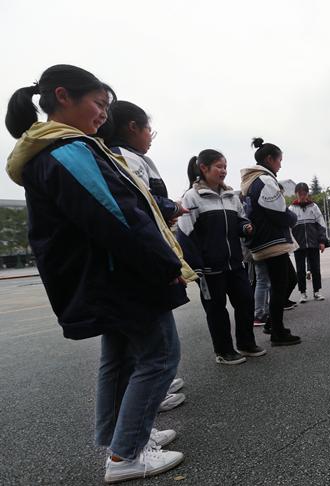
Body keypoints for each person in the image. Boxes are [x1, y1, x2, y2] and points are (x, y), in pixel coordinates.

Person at [5, 65, 193, 482]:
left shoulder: (50, 150)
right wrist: (164, 265)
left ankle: (124, 438)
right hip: (120, 276)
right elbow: (117, 217)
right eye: (99, 103)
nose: (104, 114)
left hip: (103, 277)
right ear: (63, 96)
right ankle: (126, 454)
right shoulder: (69, 151)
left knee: (120, 359)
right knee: (160, 356)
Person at [99, 100, 186, 412]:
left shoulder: (105, 154)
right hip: (139, 264)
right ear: (132, 127)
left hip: (124, 266)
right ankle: (137, 429)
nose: (150, 136)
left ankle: (125, 431)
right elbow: (141, 206)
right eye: (149, 130)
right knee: (158, 355)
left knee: (121, 357)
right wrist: (171, 208)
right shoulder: (126, 158)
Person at [177, 149, 266, 363]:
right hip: (209, 269)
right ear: (203, 168)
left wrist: (245, 227)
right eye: (219, 166)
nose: (223, 170)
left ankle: (246, 344)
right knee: (216, 310)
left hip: (235, 264)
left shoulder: (231, 195)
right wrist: (196, 267)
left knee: (245, 301)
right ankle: (224, 351)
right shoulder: (191, 197)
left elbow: (241, 219)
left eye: (225, 166)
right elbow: (185, 234)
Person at [240, 138, 301, 346]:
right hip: (272, 241)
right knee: (281, 284)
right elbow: (278, 212)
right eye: (279, 160)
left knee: (285, 281)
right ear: (269, 159)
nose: (280, 165)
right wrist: (293, 218)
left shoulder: (252, 181)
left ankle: (273, 324)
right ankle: (277, 332)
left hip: (264, 240)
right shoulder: (264, 180)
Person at [289, 182, 328, 302]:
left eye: (304, 194)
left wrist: (322, 241)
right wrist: (291, 243)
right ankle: (303, 293)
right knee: (300, 270)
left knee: (315, 268)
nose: (302, 196)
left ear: (307, 194)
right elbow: (288, 229)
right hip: (298, 245)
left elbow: (321, 224)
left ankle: (317, 292)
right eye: (299, 194)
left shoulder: (313, 207)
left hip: (313, 243)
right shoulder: (291, 209)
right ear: (296, 194)